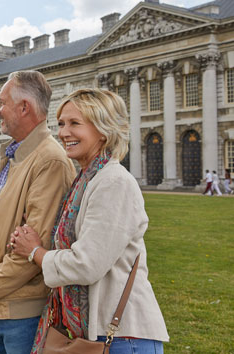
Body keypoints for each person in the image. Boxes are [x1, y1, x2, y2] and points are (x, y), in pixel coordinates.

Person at [9, 88, 168, 354]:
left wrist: (35, 252)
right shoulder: (86, 180)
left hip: (122, 338)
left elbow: (86, 265)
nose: (63, 132)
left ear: (103, 130)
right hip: (95, 334)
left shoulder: (113, 183)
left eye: (74, 123)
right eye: (60, 124)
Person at [0, 70, 75, 354]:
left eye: (1, 103)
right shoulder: (14, 154)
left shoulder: (50, 162)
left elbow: (33, 251)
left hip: (24, 312)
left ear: (24, 108)